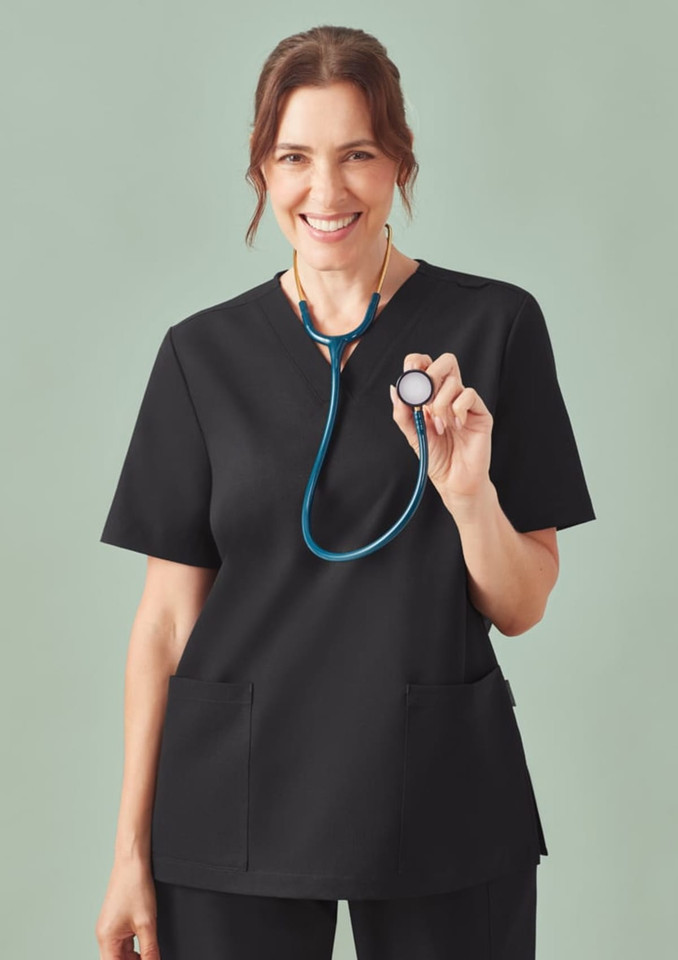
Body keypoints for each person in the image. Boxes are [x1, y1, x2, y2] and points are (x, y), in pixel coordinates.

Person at [95, 24, 596, 960]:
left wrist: (467, 495)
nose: (326, 192)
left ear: (400, 162)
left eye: (357, 154)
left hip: (439, 792)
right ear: (262, 170)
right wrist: (128, 854)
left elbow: (522, 604)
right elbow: (164, 622)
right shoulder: (201, 357)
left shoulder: (495, 327)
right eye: (295, 157)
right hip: (234, 801)